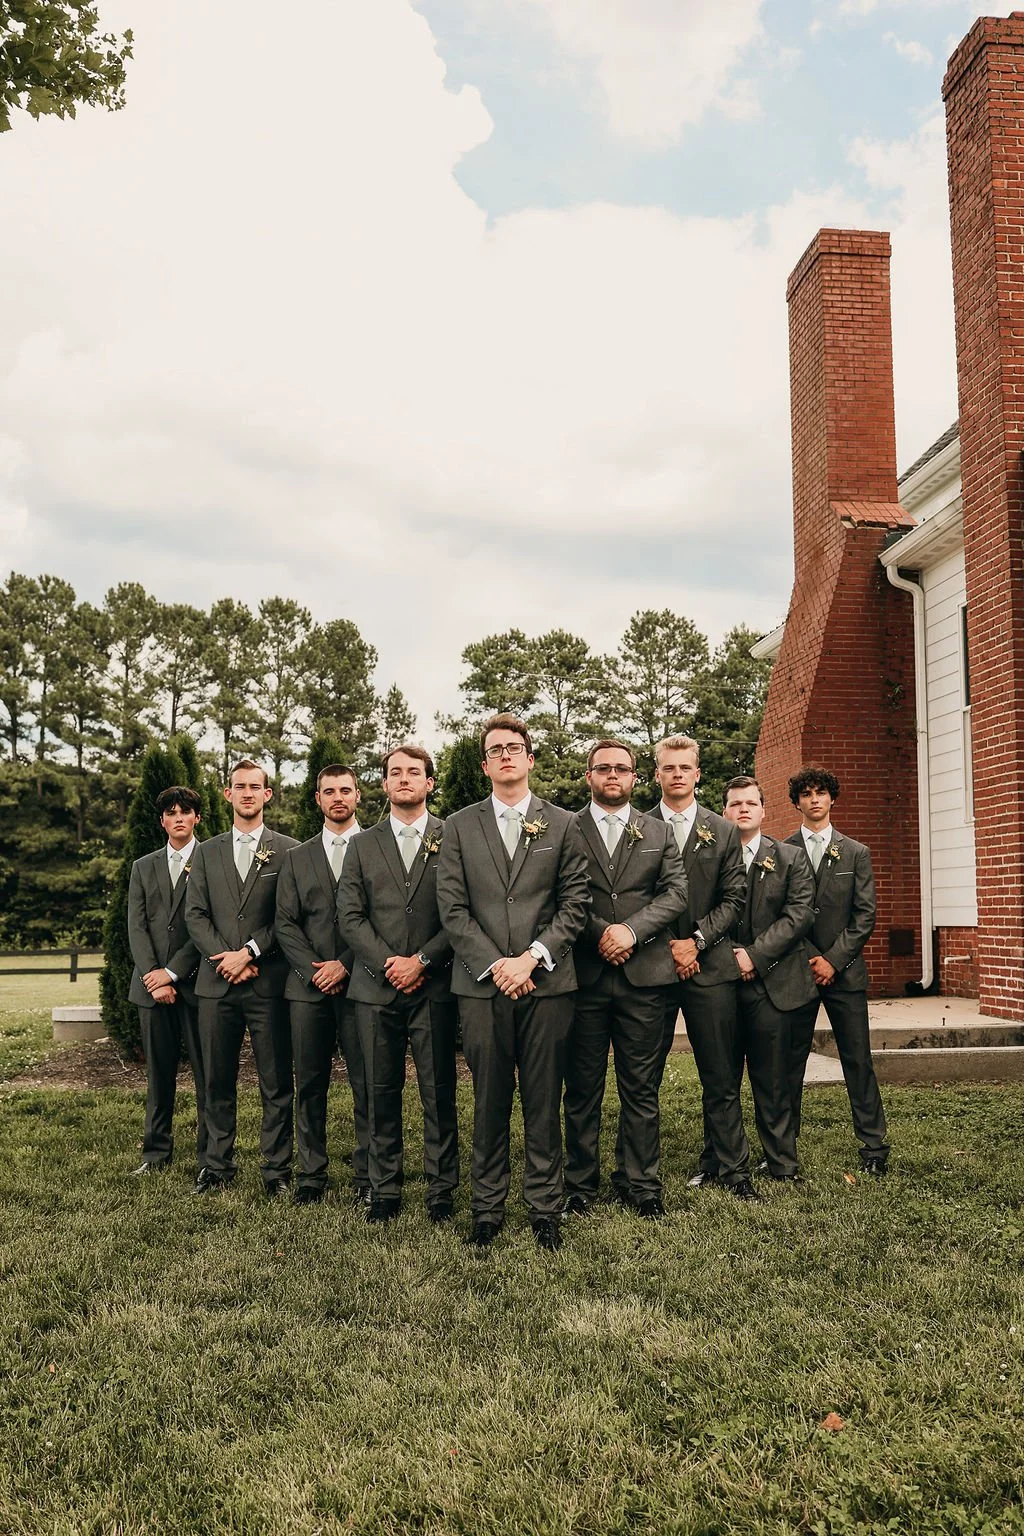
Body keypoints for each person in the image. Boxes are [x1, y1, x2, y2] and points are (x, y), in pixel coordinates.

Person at [436, 713, 590, 1252]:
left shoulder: (565, 824)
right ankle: (486, 1208)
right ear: (485, 765)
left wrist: (531, 959)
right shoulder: (456, 827)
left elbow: (575, 904)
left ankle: (546, 1208)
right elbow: (452, 910)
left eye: (514, 747)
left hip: (547, 985)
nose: (506, 755)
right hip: (482, 988)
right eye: (496, 749)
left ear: (529, 758)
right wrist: (498, 965)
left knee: (545, 1099)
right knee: (490, 1098)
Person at [562, 739, 686, 1219]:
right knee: (583, 1087)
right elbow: (561, 895)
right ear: (589, 775)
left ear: (635, 777)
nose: (612, 775)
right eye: (603, 768)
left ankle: (640, 1182)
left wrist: (631, 931)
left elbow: (675, 893)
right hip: (587, 978)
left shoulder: (657, 830)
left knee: (641, 1087)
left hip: (645, 979)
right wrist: (602, 934)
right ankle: (579, 1183)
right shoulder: (567, 827)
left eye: (622, 768)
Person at [337, 745, 459, 1224]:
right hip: (375, 987)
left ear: (430, 783)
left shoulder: (453, 837)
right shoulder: (362, 845)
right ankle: (384, 1189)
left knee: (438, 1090)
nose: (404, 779)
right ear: (384, 785)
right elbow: (350, 915)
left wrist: (423, 960)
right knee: (378, 1090)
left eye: (414, 772)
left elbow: (462, 912)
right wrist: (389, 961)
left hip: (435, 985)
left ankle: (441, 1190)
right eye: (395, 773)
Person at [643, 736, 753, 1199]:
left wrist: (697, 942)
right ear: (657, 774)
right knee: (643, 1075)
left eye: (686, 767)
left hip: (710, 967)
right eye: (669, 768)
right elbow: (631, 899)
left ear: (698, 774)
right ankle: (640, 1174)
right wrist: (667, 945)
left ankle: (731, 1170)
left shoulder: (722, 830)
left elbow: (734, 899)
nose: (678, 775)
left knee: (721, 1075)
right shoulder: (638, 827)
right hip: (651, 966)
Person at [184, 759, 297, 1196]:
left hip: (267, 983)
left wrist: (250, 951)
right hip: (216, 984)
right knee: (216, 1078)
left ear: (268, 794)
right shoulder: (206, 852)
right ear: (227, 794)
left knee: (274, 1079)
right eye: (239, 786)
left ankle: (277, 1171)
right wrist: (222, 957)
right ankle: (215, 1167)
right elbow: (195, 914)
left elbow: (288, 917)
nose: (247, 793)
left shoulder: (288, 850)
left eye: (256, 787)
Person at [785, 766, 890, 1174]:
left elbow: (864, 916)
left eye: (821, 793)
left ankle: (874, 1147)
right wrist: (811, 958)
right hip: (798, 971)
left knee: (857, 1059)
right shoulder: (783, 849)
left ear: (832, 799)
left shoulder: (855, 852)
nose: (814, 799)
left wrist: (832, 959)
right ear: (796, 802)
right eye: (807, 793)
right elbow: (783, 912)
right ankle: (783, 1146)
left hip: (844, 973)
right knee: (790, 1060)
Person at [275, 763, 367, 1206]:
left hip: (361, 984)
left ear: (358, 796)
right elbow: (285, 923)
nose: (337, 798)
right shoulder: (296, 856)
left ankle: (369, 1171)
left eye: (345, 790)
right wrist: (316, 970)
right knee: (309, 1083)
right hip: (307, 989)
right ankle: (311, 1173)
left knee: (367, 1081)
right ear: (317, 798)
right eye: (328, 791)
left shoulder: (375, 848)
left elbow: (378, 919)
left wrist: (346, 964)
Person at [721, 775, 818, 1182]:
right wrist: (730, 958)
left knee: (774, 1077)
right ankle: (720, 1159)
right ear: (724, 812)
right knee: (721, 1078)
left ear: (763, 810)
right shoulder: (710, 857)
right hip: (721, 981)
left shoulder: (791, 858)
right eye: (735, 804)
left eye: (751, 803)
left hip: (775, 980)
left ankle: (781, 1162)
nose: (743, 809)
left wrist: (755, 956)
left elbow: (799, 915)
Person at [126, 785, 206, 1176]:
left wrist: (173, 973)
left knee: (209, 1075)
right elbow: (136, 927)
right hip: (151, 987)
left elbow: (205, 927)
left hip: (197, 985)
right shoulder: (143, 866)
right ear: (162, 821)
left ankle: (210, 1156)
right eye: (171, 812)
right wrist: (154, 978)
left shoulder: (212, 860)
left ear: (196, 818)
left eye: (185, 812)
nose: (178, 818)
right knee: (159, 1076)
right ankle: (155, 1155)